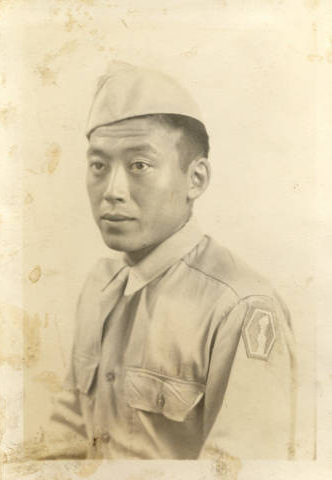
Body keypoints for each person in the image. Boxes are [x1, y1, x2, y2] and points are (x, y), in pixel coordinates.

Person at [47, 62, 296, 462]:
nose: (112, 191)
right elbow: (64, 443)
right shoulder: (99, 286)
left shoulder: (240, 306)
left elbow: (243, 469)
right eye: (98, 166)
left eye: (139, 166)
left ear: (195, 179)